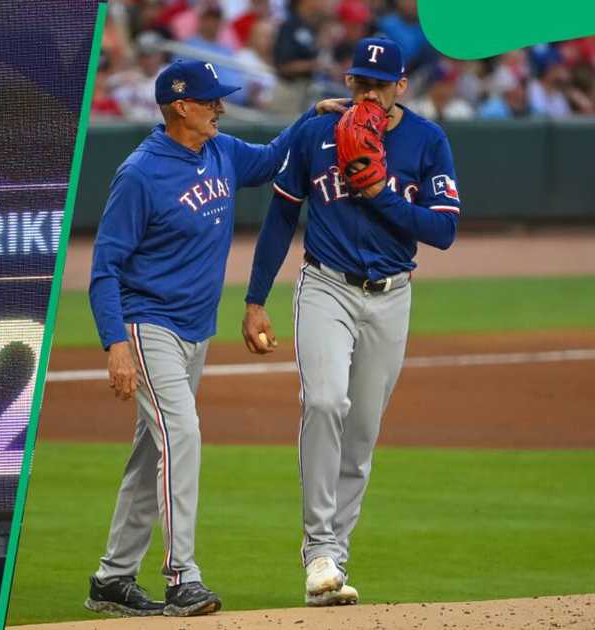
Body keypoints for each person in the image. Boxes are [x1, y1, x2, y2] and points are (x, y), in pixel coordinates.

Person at [84, 58, 343, 618]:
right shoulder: (140, 173)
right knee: (183, 437)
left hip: (194, 330)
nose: (220, 107)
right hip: (147, 322)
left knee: (151, 452)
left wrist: (308, 118)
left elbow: (273, 158)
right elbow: (104, 266)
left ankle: (111, 577)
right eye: (210, 101)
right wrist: (115, 344)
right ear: (181, 106)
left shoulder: (222, 152)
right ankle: (183, 577)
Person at [242, 37, 460, 607]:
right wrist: (255, 298)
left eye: (379, 84)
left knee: (361, 434)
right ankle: (317, 549)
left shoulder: (427, 139)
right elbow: (281, 216)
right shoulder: (318, 134)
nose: (368, 92)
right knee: (324, 403)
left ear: (400, 88)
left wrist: (379, 194)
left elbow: (442, 231)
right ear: (348, 83)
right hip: (325, 285)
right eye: (360, 81)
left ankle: (333, 560)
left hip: (392, 297)